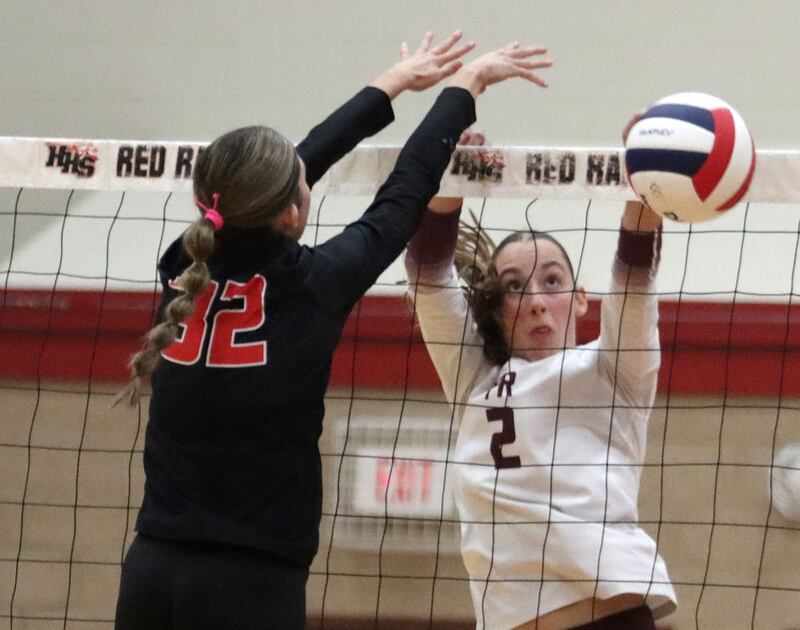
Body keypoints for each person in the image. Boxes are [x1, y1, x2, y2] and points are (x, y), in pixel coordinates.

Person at [113, 32, 553, 630]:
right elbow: (406, 187)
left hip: (151, 571)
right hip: (250, 584)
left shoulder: (181, 265)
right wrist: (466, 84)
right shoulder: (313, 284)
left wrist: (395, 83)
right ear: (292, 211)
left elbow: (292, 167)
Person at [404, 123, 677, 629]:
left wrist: (648, 166)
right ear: (496, 306)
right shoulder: (474, 378)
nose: (534, 302)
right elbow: (427, 272)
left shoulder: (615, 367)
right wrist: (451, 181)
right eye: (513, 287)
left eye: (552, 281)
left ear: (579, 299)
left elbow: (635, 269)